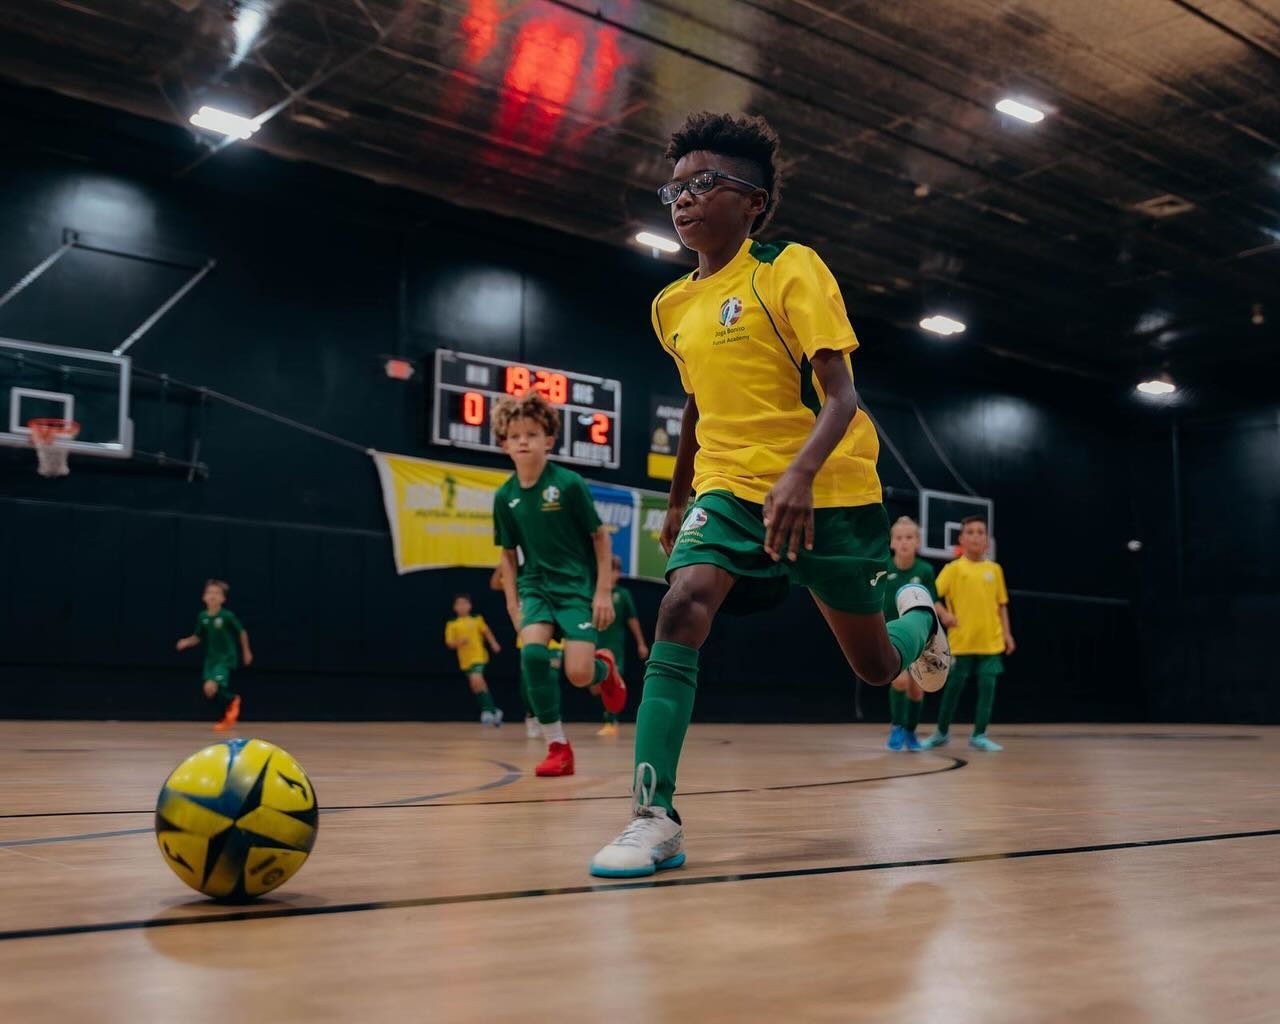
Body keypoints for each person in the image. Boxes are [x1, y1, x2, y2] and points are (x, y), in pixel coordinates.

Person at [589, 111, 950, 878]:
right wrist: (680, 493)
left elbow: (843, 396)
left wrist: (800, 473)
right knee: (682, 601)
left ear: (753, 201)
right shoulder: (671, 307)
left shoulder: (790, 268)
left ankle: (918, 621)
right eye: (675, 188)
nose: (684, 200)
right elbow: (697, 403)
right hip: (730, 486)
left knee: (878, 668)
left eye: (705, 184)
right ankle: (654, 817)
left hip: (829, 489)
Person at [491, 391, 627, 777]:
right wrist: (512, 603)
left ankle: (605, 669)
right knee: (532, 656)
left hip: (575, 588)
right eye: (515, 436)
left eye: (531, 434)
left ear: (548, 440)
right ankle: (558, 747)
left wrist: (602, 592)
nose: (523, 441)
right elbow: (506, 554)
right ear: (504, 443)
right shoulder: (505, 496)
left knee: (578, 675)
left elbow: (601, 538)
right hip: (535, 585)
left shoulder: (568, 484)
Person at [922, 516, 1015, 751]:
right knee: (952, 688)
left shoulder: (995, 569)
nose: (976, 535)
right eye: (970, 532)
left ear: (987, 540)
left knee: (987, 689)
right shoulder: (953, 569)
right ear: (961, 539)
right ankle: (941, 732)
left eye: (980, 532)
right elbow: (933, 595)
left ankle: (979, 735)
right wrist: (944, 614)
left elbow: (1002, 604)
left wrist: (1007, 634)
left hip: (990, 642)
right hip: (960, 642)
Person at [492, 557, 567, 739]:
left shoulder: (555, 578)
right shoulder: (522, 582)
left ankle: (551, 717)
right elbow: (495, 584)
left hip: (554, 634)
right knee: (529, 679)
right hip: (530, 634)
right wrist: (504, 562)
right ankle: (531, 715)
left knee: (552, 676)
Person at [882, 517, 937, 752]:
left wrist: (943, 616)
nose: (904, 542)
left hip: (920, 638)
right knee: (900, 681)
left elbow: (932, 603)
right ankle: (897, 727)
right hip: (891, 635)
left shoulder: (925, 570)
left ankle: (911, 731)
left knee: (917, 689)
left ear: (918, 542)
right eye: (899, 538)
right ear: (892, 542)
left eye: (909, 537)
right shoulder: (884, 566)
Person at [175, 579, 253, 732]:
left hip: (225, 658)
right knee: (209, 690)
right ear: (204, 597)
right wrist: (186, 642)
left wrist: (246, 651)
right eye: (210, 592)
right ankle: (231, 702)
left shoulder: (226, 616)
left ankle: (231, 707)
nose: (213, 596)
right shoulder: (203, 616)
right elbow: (198, 636)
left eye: (217, 593)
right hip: (212, 659)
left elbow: (241, 632)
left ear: (223, 599)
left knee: (211, 685)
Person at [592, 555, 651, 736]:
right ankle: (609, 716)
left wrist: (641, 643)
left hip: (614, 646)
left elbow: (632, 620)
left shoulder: (623, 594)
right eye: (610, 570)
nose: (614, 574)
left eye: (616, 571)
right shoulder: (592, 593)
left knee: (609, 682)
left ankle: (611, 721)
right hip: (594, 643)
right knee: (594, 685)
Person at [444, 593, 503, 726]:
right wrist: (459, 642)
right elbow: (449, 643)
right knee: (475, 685)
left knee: (477, 678)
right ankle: (494, 711)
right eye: (459, 604)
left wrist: (494, 643)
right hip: (465, 660)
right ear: (454, 607)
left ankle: (487, 710)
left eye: (465, 603)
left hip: (478, 656)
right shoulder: (452, 624)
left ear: (470, 605)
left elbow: (486, 632)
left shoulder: (477, 619)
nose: (462, 606)